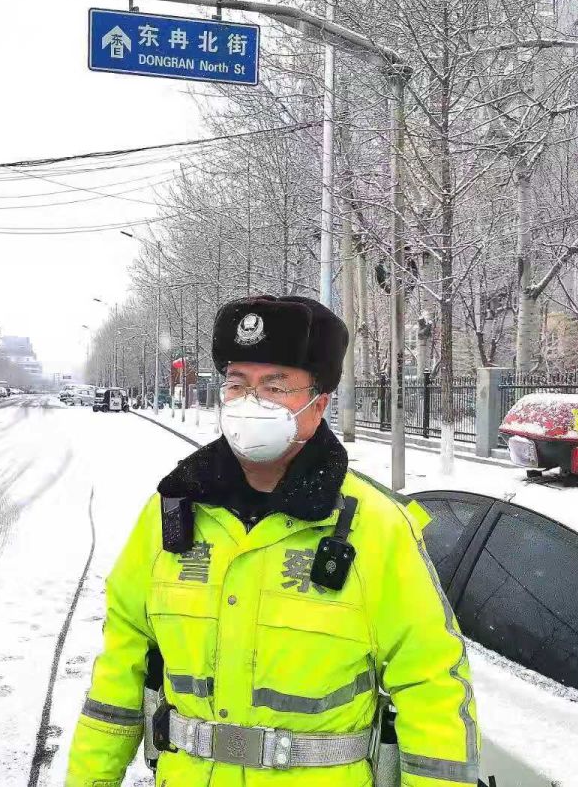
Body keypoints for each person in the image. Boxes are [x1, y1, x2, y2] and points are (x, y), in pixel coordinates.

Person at [66, 295, 479, 787]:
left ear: (318, 404)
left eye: (274, 386)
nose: (250, 402)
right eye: (237, 384)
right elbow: (118, 674)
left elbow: (433, 690)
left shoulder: (376, 528)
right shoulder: (172, 515)